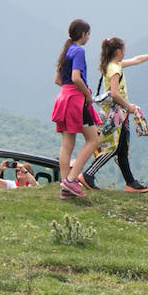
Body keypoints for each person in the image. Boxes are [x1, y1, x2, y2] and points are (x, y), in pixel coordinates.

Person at [83, 38, 148, 192]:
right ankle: (88, 174)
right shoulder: (115, 69)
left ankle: (130, 183)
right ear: (118, 51)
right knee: (114, 148)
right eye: (123, 50)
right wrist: (129, 106)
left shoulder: (113, 65)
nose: (125, 52)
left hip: (119, 113)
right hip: (118, 113)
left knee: (122, 149)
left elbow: (137, 60)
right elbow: (115, 93)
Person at [50, 19, 101, 198]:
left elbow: (58, 80)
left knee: (67, 144)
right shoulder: (79, 50)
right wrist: (87, 95)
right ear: (83, 34)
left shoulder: (66, 51)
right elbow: (76, 77)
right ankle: (72, 180)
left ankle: (66, 186)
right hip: (76, 100)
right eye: (88, 34)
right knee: (93, 140)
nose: (89, 37)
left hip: (63, 98)